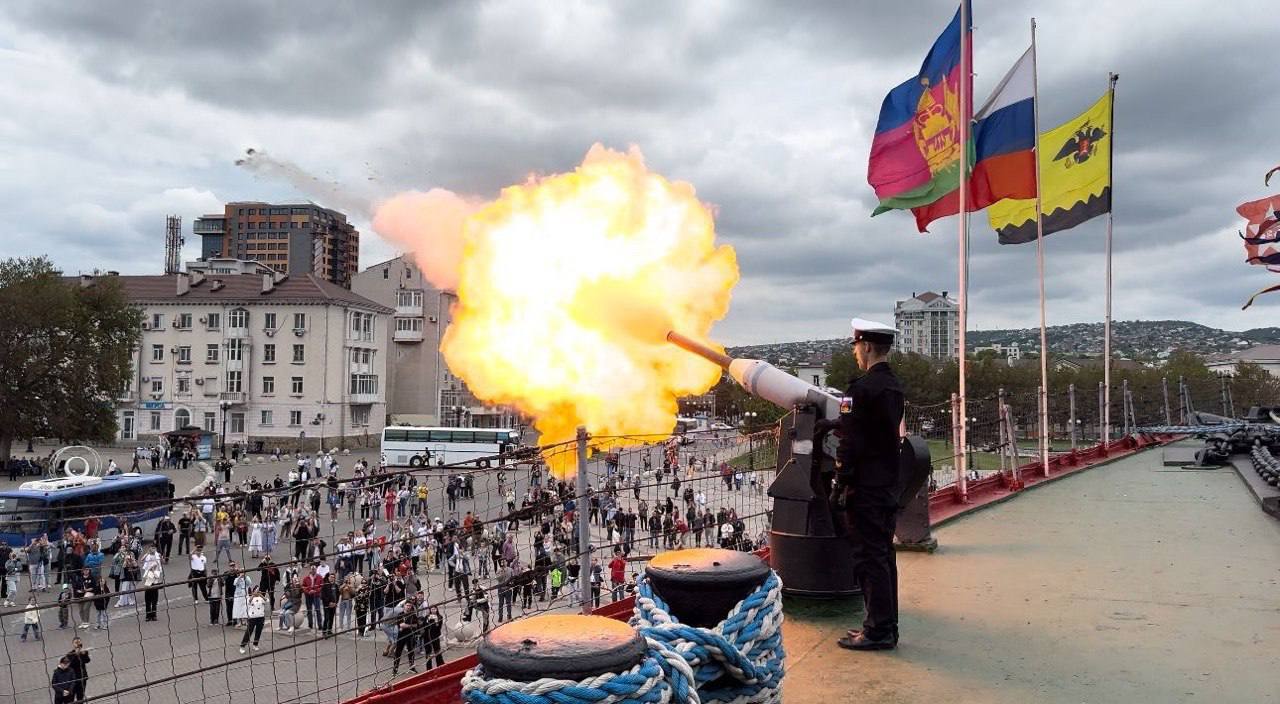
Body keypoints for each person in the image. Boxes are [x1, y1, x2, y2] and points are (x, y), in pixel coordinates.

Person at [835, 318, 905, 652]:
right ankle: (884, 624)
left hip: (864, 487)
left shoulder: (859, 391)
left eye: (856, 348)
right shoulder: (893, 386)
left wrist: (840, 480)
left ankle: (877, 631)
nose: (855, 355)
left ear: (865, 346)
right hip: (888, 484)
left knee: (868, 558)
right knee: (883, 556)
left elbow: (851, 441)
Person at [239, 588, 267, 653]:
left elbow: (266, 601)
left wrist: (261, 595)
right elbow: (249, 601)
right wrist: (254, 595)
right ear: (253, 591)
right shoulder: (249, 598)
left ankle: (255, 645)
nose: (257, 592)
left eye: (258, 591)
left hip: (261, 617)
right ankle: (242, 646)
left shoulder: (261, 598)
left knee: (258, 632)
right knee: (249, 632)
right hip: (252, 618)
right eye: (256, 591)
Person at [66, 636, 91, 702]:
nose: (78, 644)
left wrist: (84, 654)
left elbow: (87, 660)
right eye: (76, 642)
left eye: (79, 642)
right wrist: (76, 655)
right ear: (73, 644)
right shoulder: (70, 654)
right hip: (73, 680)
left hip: (82, 678)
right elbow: (70, 665)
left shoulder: (84, 652)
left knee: (80, 697)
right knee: (71, 697)